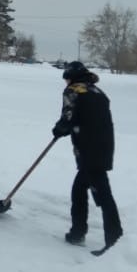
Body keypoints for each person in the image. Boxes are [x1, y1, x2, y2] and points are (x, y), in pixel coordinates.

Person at [51, 61, 124, 254]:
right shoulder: (97, 91)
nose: (65, 82)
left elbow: (68, 118)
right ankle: (77, 233)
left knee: (102, 193)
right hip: (104, 147)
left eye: (66, 77)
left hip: (88, 149)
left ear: (72, 76)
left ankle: (114, 237)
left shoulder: (73, 91)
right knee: (80, 189)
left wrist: (59, 130)